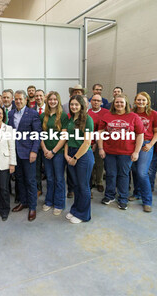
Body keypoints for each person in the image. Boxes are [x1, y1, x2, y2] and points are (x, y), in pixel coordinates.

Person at [98, 94, 144, 210]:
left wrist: (136, 152)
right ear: (113, 103)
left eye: (121, 102)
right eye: (117, 102)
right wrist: (101, 148)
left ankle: (123, 198)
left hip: (126, 152)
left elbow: (140, 135)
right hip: (109, 151)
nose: (119, 104)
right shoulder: (107, 115)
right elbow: (100, 133)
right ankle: (109, 195)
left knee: (123, 175)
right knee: (110, 174)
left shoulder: (133, 116)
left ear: (126, 103)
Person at [9, 90, 42, 221]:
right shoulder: (11, 113)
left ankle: (32, 207)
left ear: (26, 100)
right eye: (16, 99)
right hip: (15, 153)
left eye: (20, 99)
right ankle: (23, 202)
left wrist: (34, 151)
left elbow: (37, 134)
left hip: (29, 153)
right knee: (20, 179)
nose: (18, 101)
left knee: (31, 180)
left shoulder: (33, 113)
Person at [129, 92, 157, 212]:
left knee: (142, 172)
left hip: (145, 145)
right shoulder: (131, 113)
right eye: (139, 100)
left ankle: (147, 201)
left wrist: (150, 144)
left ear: (148, 101)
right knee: (134, 171)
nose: (141, 102)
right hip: (132, 144)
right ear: (135, 101)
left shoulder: (154, 114)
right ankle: (136, 193)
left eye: (143, 100)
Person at [64, 95, 94, 223]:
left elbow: (87, 142)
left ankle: (83, 215)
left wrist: (75, 157)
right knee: (76, 185)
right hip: (70, 153)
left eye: (77, 104)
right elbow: (67, 139)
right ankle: (75, 209)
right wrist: (66, 155)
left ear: (82, 105)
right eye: (72, 104)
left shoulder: (87, 119)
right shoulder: (70, 119)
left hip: (82, 155)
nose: (74, 106)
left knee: (83, 186)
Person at [40, 91, 67, 215]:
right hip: (46, 152)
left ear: (58, 101)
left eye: (55, 99)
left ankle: (59, 203)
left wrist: (53, 151)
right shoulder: (42, 116)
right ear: (47, 101)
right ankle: (49, 201)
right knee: (50, 178)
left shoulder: (63, 116)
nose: (52, 101)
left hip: (58, 152)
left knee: (59, 179)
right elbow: (40, 135)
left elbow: (64, 137)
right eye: (50, 99)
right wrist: (45, 150)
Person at [87, 94, 109, 194]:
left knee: (99, 163)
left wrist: (97, 143)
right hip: (88, 142)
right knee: (91, 163)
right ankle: (91, 181)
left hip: (101, 142)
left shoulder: (106, 113)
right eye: (94, 100)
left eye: (98, 101)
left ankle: (99, 182)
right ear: (90, 102)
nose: (96, 102)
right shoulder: (87, 113)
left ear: (101, 102)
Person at [33, 89, 46, 196]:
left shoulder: (51, 109)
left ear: (44, 96)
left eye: (40, 95)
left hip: (48, 144)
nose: (38, 98)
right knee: (36, 169)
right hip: (36, 144)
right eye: (36, 96)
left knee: (49, 170)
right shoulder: (31, 110)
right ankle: (38, 188)